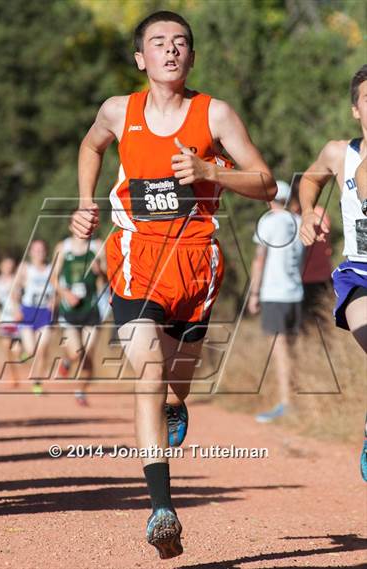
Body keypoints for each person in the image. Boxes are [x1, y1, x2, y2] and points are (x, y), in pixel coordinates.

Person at [71, 11, 276, 559]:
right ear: (141, 58)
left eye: (180, 43)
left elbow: (266, 181)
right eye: (158, 43)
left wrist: (213, 173)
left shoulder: (215, 115)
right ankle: (162, 506)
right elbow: (91, 147)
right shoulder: (119, 111)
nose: (170, 50)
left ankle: (178, 404)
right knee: (149, 369)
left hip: (197, 264)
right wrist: (88, 201)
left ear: (192, 57)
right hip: (137, 256)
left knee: (178, 381)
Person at [299, 64, 367, 482]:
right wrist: (309, 211)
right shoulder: (338, 153)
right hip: (360, 273)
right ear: (355, 110)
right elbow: (310, 179)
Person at [249, 180, 304, 422]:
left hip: (274, 293)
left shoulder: (269, 222)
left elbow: (259, 259)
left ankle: (287, 403)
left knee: (280, 351)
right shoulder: (299, 222)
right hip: (295, 293)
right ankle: (293, 399)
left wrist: (254, 293)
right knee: (292, 349)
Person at [52, 235, 107, 406]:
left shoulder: (97, 246)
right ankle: (68, 361)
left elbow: (107, 277)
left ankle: (80, 390)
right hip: (69, 309)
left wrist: (100, 272)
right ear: (71, 225)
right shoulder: (63, 246)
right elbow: (53, 277)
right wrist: (65, 294)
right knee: (77, 352)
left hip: (91, 309)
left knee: (88, 354)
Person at [13, 239, 54, 394]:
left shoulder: (51, 268)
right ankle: (25, 352)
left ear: (46, 252)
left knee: (42, 348)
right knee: (31, 351)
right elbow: (15, 289)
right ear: (30, 252)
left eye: (41, 250)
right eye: (35, 250)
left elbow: (58, 288)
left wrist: (54, 300)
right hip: (28, 312)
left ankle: (38, 381)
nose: (39, 253)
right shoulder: (25, 268)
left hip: (45, 313)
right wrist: (16, 308)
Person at [0, 257, 20, 387]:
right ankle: (13, 376)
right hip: (4, 318)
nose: (8, 268)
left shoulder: (16, 280)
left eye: (10, 265)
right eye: (6, 265)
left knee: (17, 350)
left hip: (17, 318)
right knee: (7, 348)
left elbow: (21, 296)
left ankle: (22, 354)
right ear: (0, 266)